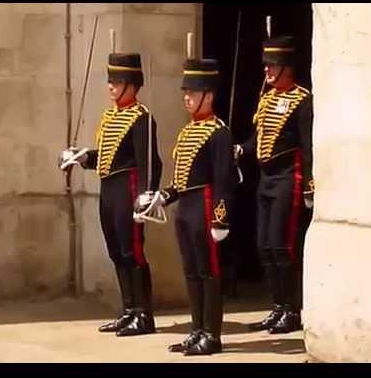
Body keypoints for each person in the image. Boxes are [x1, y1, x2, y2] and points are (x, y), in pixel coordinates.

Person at [59, 53, 162, 337]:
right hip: (109, 188)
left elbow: (149, 161)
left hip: (128, 187)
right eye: (110, 81)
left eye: (116, 81)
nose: (111, 87)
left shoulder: (142, 118)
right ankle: (129, 309)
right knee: (116, 251)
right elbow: (107, 157)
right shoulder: (111, 116)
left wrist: (146, 193)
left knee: (133, 251)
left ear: (131, 84)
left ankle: (143, 313)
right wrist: (83, 157)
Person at [138, 58, 235, 355]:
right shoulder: (187, 131)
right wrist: (163, 196)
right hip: (187, 209)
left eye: (193, 92)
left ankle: (211, 334)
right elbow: (182, 179)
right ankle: (196, 329)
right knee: (192, 272)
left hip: (206, 207)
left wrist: (221, 218)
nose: (187, 97)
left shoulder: (219, 133)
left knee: (210, 272)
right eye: (186, 92)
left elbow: (223, 180)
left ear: (209, 95)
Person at [234, 35, 314, 334]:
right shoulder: (266, 99)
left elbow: (307, 146)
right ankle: (277, 306)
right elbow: (260, 139)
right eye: (267, 66)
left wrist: (309, 184)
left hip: (287, 178)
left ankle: (291, 310)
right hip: (266, 179)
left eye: (273, 66)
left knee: (283, 247)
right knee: (264, 246)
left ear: (286, 68)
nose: (267, 71)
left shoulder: (301, 100)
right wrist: (242, 149)